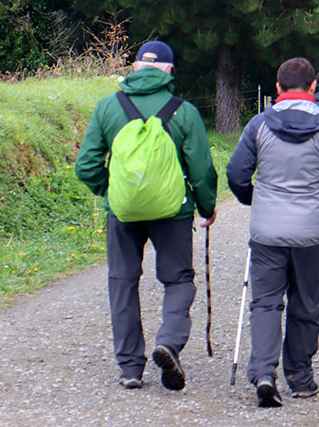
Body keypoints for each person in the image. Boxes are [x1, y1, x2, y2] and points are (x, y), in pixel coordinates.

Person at [75, 40, 218, 391]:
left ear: (135, 67)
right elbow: (201, 170)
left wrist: (110, 193)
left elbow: (87, 165)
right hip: (172, 211)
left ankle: (130, 368)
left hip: (122, 212)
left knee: (122, 281)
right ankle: (168, 342)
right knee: (178, 279)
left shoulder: (108, 107)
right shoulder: (183, 111)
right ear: (169, 71)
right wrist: (207, 206)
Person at [225, 57, 319, 407]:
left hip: (267, 231)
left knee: (266, 303)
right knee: (305, 302)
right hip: (310, 233)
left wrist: (253, 199)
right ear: (313, 87)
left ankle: (264, 373)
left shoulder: (259, 124)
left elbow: (237, 174)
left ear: (277, 88)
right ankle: (300, 378)